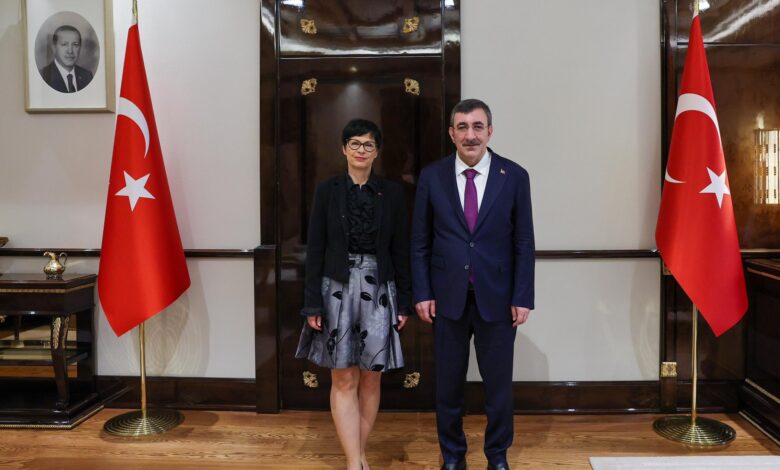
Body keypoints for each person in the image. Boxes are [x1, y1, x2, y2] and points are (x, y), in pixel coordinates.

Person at [411, 99, 535, 470]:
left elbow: (524, 241)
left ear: (490, 131)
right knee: (448, 387)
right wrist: (422, 292)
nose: (470, 135)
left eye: (477, 126)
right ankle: (453, 457)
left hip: (497, 298)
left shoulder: (514, 176)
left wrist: (523, 295)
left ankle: (497, 456)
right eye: (462, 127)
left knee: (498, 390)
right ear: (452, 133)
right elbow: (420, 240)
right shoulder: (432, 177)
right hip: (446, 298)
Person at [296, 118, 411, 470]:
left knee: (372, 375)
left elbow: (401, 250)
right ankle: (354, 461)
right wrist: (312, 303)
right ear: (344, 149)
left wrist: (404, 302)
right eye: (355, 144)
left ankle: (360, 453)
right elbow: (315, 249)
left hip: (379, 289)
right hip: (336, 288)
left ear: (377, 152)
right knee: (343, 375)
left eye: (369, 144)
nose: (362, 150)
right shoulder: (326, 191)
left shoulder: (393, 193)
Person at [39, 25, 93, 93]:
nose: (70, 51)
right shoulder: (43, 76)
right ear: (54, 48)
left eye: (75, 44)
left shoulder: (87, 76)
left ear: (80, 47)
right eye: (64, 44)